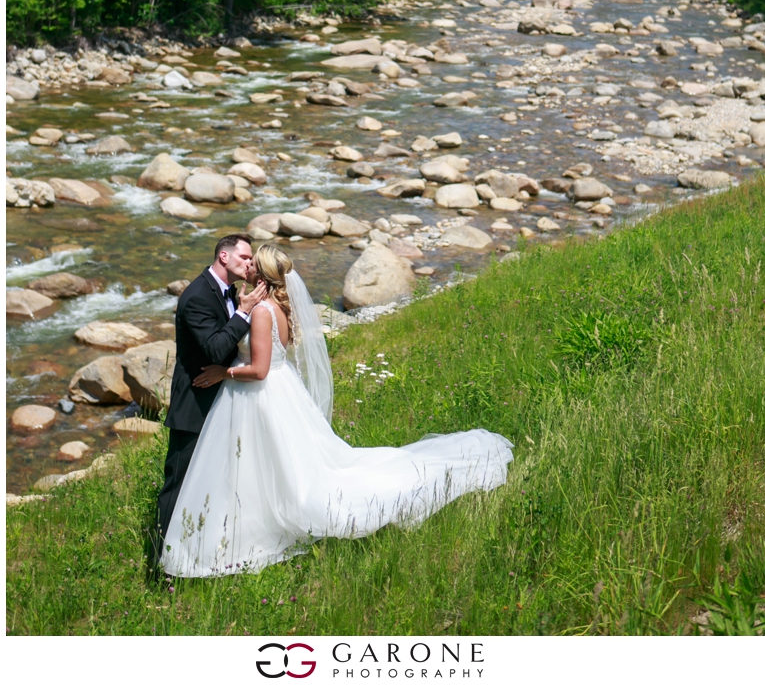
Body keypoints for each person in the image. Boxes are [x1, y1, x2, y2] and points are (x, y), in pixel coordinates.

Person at [160, 245, 513, 578]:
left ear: (263, 276)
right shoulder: (273, 306)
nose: (246, 266)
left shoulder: (263, 313)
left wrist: (225, 372)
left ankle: (256, 528)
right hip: (276, 394)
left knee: (266, 467)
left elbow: (260, 369)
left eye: (253, 263)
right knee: (264, 466)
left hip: (260, 394)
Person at [153, 234, 267, 560]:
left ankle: (201, 550)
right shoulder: (197, 297)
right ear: (223, 257)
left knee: (213, 481)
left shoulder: (229, 291)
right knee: (179, 483)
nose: (250, 263)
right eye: (245, 257)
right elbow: (216, 349)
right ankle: (162, 559)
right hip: (195, 404)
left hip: (222, 401)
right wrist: (243, 313)